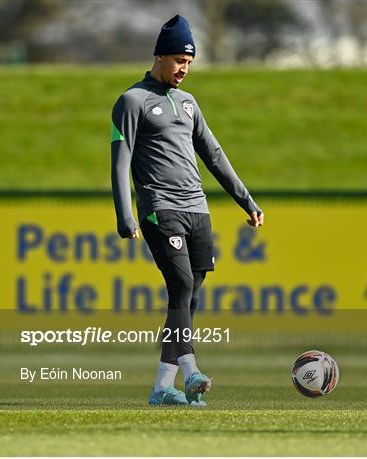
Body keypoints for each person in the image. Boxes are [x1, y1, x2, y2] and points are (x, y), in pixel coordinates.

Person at [110, 15, 264, 407]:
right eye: (179, 59)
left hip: (197, 210)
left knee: (189, 298)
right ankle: (192, 371)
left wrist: (246, 200)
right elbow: (120, 161)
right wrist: (125, 214)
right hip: (160, 208)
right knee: (179, 286)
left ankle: (163, 386)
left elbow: (213, 154)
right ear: (160, 56)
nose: (184, 69)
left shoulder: (189, 104)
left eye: (190, 62)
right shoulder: (132, 101)